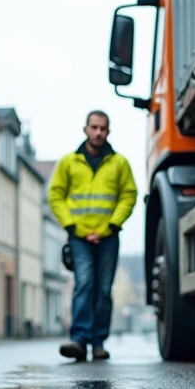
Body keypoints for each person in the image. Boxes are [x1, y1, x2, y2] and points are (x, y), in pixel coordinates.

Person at [48, 110, 138, 362]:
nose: (98, 132)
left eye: (103, 128)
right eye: (94, 127)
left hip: (108, 236)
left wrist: (112, 225)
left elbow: (129, 195)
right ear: (85, 129)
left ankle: (98, 343)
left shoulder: (119, 163)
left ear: (108, 131)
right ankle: (79, 340)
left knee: (104, 289)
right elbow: (55, 195)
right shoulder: (69, 162)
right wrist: (72, 226)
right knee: (84, 284)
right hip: (79, 237)